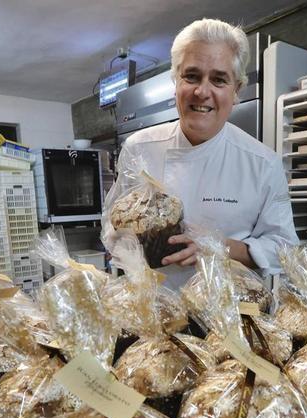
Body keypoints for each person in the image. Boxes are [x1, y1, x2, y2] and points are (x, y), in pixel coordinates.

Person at [108, 18, 297, 287]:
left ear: (236, 91)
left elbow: (284, 248)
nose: (202, 91)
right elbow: (115, 224)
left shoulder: (263, 163)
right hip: (153, 310)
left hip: (229, 315)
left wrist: (220, 247)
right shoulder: (139, 148)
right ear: (176, 82)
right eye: (192, 76)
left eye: (219, 80)